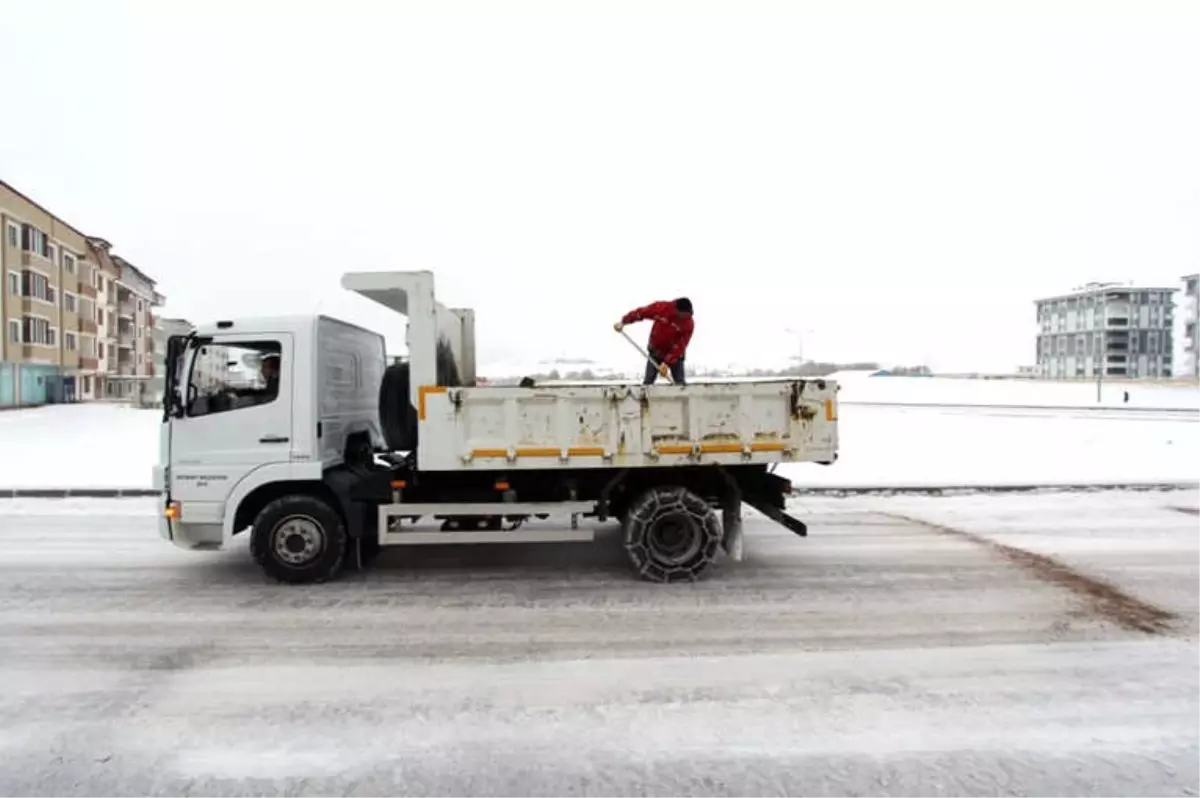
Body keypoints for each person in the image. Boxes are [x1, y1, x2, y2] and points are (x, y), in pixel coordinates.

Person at [614, 297, 694, 385]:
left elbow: (680, 346)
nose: (685, 317)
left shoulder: (688, 324)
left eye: (688, 315)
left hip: (675, 357)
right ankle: (645, 397)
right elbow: (641, 313)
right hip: (656, 352)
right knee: (648, 382)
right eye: (684, 315)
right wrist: (623, 322)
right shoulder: (662, 308)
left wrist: (667, 363)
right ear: (677, 310)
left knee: (680, 384)